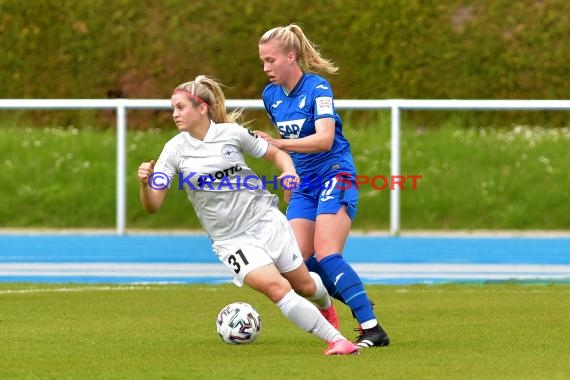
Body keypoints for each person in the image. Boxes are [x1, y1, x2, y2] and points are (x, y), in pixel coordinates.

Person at [137, 75, 358, 355]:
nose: (174, 114)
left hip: (265, 220)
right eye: (173, 108)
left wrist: (288, 172)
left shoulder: (233, 134)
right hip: (231, 239)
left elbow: (277, 154)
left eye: (180, 107)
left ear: (202, 108)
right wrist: (145, 185)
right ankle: (338, 340)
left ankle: (326, 306)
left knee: (303, 285)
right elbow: (153, 204)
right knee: (276, 288)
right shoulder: (174, 150)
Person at [256, 24, 390, 348]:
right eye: (262, 61)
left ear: (291, 56)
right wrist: (289, 176)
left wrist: (278, 144)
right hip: (305, 184)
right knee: (294, 263)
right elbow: (291, 146)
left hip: (335, 173)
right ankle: (358, 302)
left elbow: (324, 138)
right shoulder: (270, 96)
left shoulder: (317, 88)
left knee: (328, 253)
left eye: (271, 60)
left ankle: (372, 329)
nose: (265, 68)